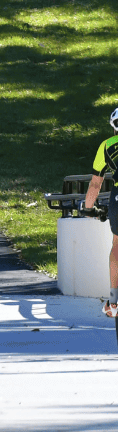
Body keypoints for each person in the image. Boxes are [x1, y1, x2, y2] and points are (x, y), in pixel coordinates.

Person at [81, 107, 118, 317]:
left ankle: (114, 302)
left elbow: (95, 184)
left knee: (117, 244)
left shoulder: (107, 146)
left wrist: (89, 208)